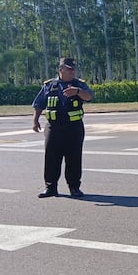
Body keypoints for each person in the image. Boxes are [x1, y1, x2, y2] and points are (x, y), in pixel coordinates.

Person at [32, 57, 94, 198]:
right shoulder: (50, 85)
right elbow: (39, 104)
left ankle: (74, 188)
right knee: (51, 158)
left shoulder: (79, 85)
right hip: (53, 128)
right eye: (69, 69)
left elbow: (89, 96)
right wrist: (35, 121)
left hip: (74, 128)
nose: (73, 72)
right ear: (61, 70)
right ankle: (51, 187)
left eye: (74, 69)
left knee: (74, 158)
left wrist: (77, 91)